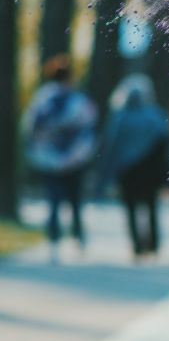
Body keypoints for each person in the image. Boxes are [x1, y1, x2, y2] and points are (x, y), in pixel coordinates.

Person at [23, 54, 98, 261]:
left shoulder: (41, 100)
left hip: (48, 159)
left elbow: (30, 129)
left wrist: (37, 152)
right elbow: (88, 128)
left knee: (53, 202)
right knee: (75, 202)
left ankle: (53, 243)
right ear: (69, 77)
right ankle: (78, 240)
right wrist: (82, 153)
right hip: (75, 159)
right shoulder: (79, 100)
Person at [100, 75, 169, 261]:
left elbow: (111, 147)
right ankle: (153, 245)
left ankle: (137, 247)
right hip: (151, 171)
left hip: (127, 172)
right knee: (151, 207)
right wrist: (168, 175)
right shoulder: (156, 115)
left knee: (131, 209)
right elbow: (166, 145)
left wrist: (106, 176)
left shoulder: (119, 117)